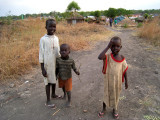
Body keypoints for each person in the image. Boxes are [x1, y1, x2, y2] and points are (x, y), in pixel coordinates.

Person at [98, 36, 128, 119]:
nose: (115, 48)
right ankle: (104, 109)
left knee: (116, 96)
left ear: (120, 47)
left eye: (117, 46)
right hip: (108, 82)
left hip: (117, 82)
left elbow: (124, 70)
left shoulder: (122, 58)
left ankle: (115, 109)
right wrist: (107, 46)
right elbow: (100, 57)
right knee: (106, 95)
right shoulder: (107, 57)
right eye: (113, 46)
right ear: (110, 47)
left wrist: (126, 81)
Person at [39, 19, 61, 108]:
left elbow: (58, 52)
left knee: (54, 79)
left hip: (55, 63)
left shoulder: (56, 38)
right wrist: (42, 68)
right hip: (47, 65)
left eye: (54, 26)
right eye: (50, 26)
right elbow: (41, 54)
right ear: (46, 27)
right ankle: (48, 100)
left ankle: (53, 94)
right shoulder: (43, 39)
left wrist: (60, 63)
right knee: (47, 82)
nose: (52, 28)